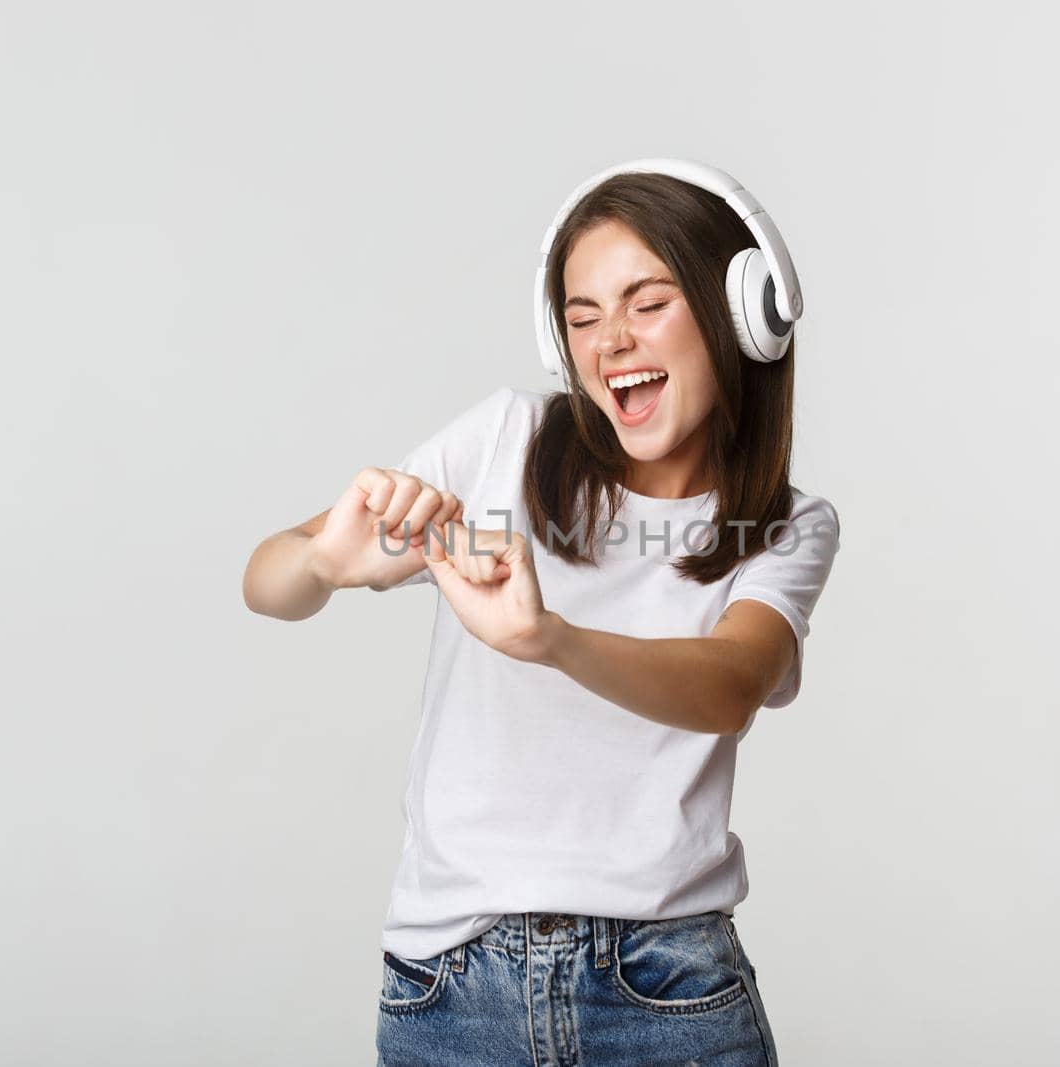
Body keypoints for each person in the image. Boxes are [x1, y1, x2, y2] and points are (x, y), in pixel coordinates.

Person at [242, 160, 840, 1066]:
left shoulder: (786, 527)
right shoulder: (503, 443)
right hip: (453, 984)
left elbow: (729, 686)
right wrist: (325, 562)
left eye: (648, 303)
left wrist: (549, 639)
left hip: (667, 985)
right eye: (583, 314)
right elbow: (266, 580)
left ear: (742, 313)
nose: (611, 342)